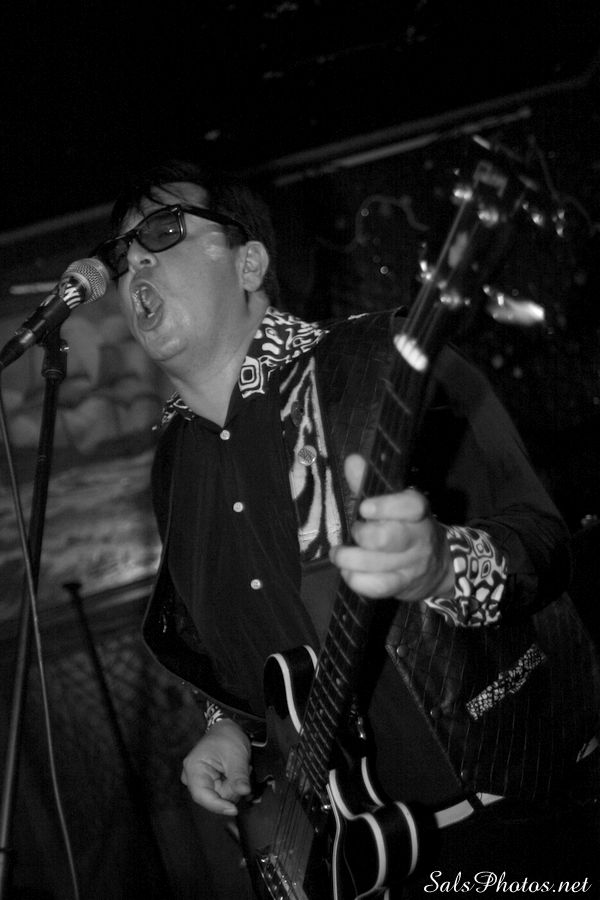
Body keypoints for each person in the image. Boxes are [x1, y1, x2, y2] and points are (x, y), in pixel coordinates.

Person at [93, 158, 600, 896]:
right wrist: (231, 731)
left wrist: (443, 566)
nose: (135, 259)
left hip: (514, 819)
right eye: (121, 253)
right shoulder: (173, 466)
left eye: (164, 230)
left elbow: (542, 537)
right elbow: (229, 661)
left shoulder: (384, 362)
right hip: (352, 864)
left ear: (249, 263)